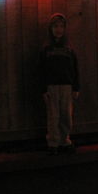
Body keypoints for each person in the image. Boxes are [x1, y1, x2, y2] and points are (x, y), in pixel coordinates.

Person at [40, 13, 80, 155]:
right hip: (52, 87)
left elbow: (75, 68)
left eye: (61, 26)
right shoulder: (46, 49)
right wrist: (43, 89)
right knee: (53, 116)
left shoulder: (69, 49)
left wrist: (76, 87)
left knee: (66, 116)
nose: (59, 29)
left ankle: (65, 141)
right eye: (55, 26)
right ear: (51, 29)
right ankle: (53, 143)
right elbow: (42, 70)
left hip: (67, 87)